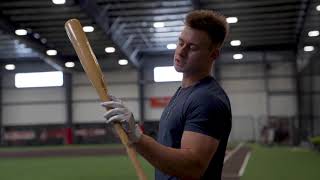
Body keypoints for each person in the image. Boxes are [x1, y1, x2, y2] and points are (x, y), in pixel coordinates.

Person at [101, 10, 232, 180]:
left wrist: (138, 137)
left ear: (213, 54)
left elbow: (192, 167)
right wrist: (132, 133)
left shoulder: (207, 99)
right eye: (180, 42)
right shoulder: (184, 92)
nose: (181, 51)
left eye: (192, 47)